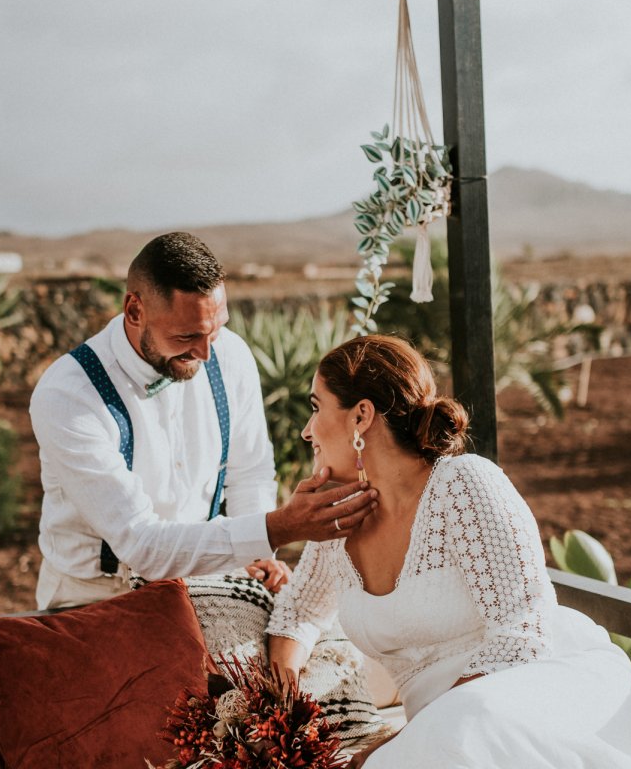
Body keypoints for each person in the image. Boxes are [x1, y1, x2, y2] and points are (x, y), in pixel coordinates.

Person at [266, 334, 631, 769]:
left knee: (459, 730)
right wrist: (285, 708)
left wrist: (406, 739)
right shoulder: (340, 519)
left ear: (361, 415)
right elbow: (298, 613)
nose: (307, 430)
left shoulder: (464, 484)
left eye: (316, 406)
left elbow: (523, 633)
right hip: (447, 731)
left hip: (538, 689)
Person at [29, 232, 376, 609]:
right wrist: (279, 526)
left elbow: (250, 470)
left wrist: (257, 552)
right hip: (93, 598)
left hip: (203, 582)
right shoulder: (69, 395)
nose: (206, 352)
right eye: (187, 335)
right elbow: (142, 544)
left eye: (216, 328)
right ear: (134, 311)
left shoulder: (229, 355)